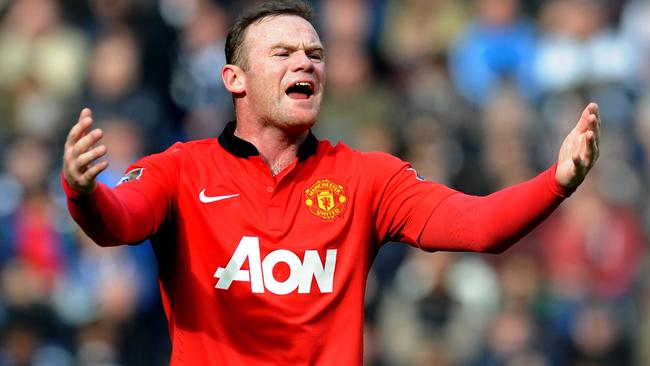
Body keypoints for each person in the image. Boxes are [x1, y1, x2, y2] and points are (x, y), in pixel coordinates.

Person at [61, 1, 600, 364]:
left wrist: (557, 180)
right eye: (284, 53)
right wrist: (84, 193)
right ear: (235, 79)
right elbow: (119, 223)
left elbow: (480, 227)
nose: (307, 63)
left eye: (315, 54)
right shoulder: (180, 169)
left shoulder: (368, 178)